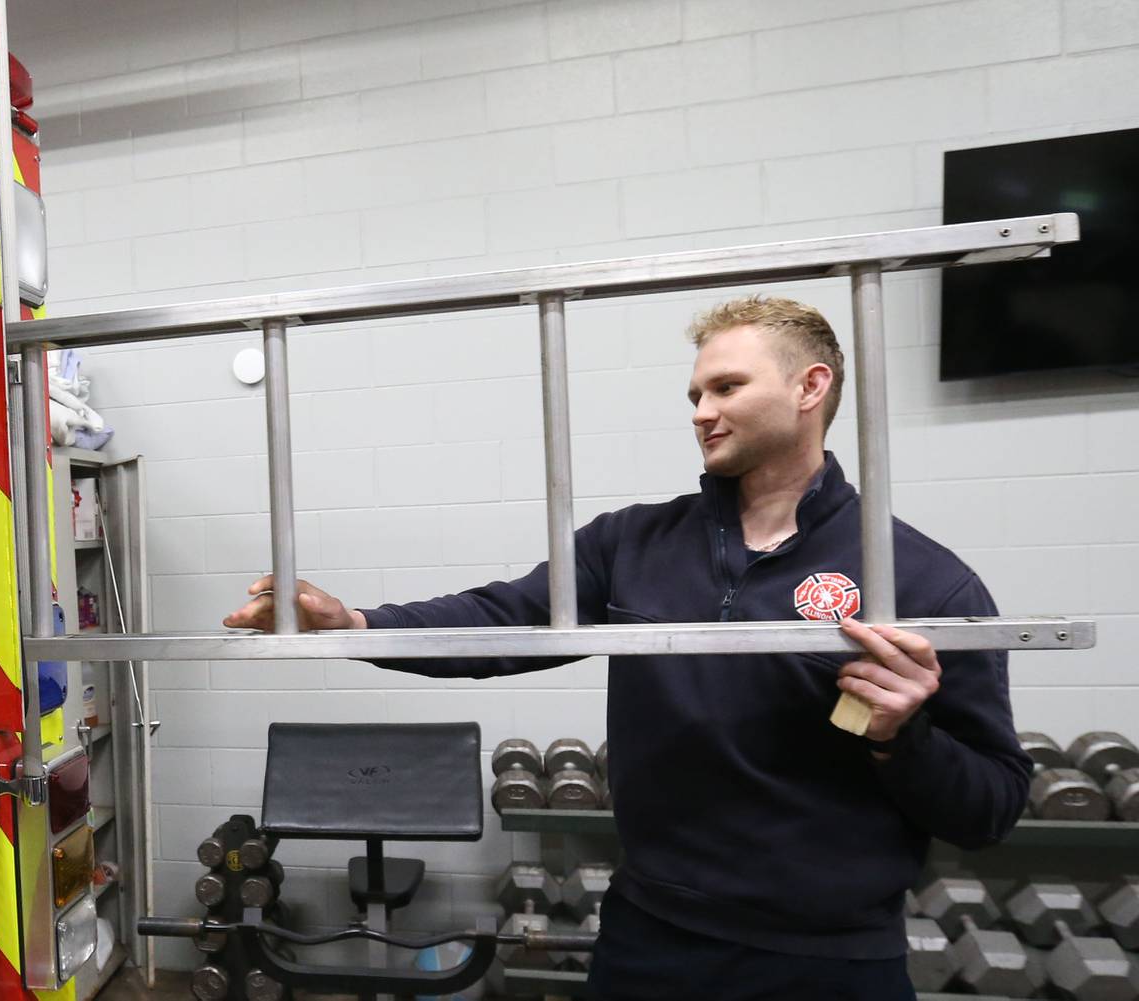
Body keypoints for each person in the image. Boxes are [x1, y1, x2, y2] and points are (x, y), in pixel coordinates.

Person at [223, 295, 1031, 1001]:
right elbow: (497, 621)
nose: (701, 410)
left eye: (726, 387)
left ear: (810, 386)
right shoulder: (634, 543)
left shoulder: (920, 580)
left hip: (831, 957)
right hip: (653, 938)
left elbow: (990, 804)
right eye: (694, 393)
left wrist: (903, 737)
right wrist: (353, 626)